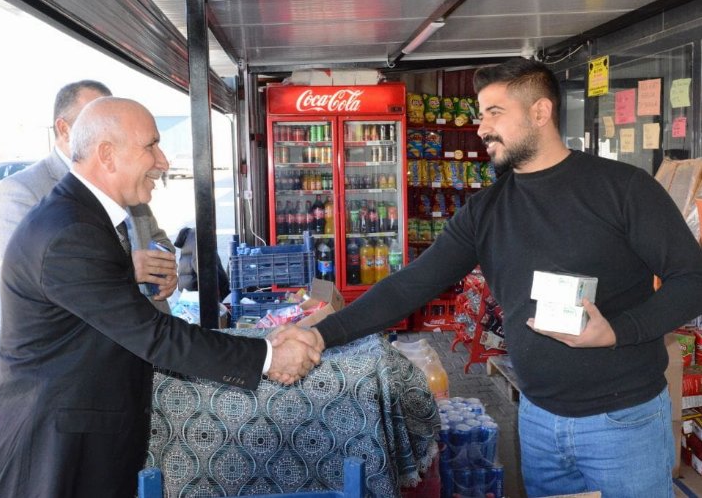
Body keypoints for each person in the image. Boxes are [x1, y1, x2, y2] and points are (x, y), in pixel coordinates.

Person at [272, 58, 702, 496]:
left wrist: (617, 331)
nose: (482, 128)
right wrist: (320, 334)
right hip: (537, 420)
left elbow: (692, 279)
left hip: (623, 422)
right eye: (481, 114)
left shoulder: (623, 188)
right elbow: (410, 284)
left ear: (540, 112)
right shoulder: (487, 209)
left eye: (495, 112)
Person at [0, 97, 320, 498]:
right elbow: (153, 335)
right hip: (51, 455)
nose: (163, 161)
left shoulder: (83, 216)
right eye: (151, 146)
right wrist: (267, 356)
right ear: (107, 155)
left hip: (78, 442)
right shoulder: (71, 231)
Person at [0, 80, 178, 312]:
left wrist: (163, 267)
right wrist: (125, 267)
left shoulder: (125, 180)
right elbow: (33, 277)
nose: (107, 127)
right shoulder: (22, 189)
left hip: (150, 321)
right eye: (92, 118)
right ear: (64, 129)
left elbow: (156, 238)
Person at [174, 226, 230, 299]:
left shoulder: (189, 240)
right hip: (199, 294)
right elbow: (204, 268)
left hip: (188, 292)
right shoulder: (201, 237)